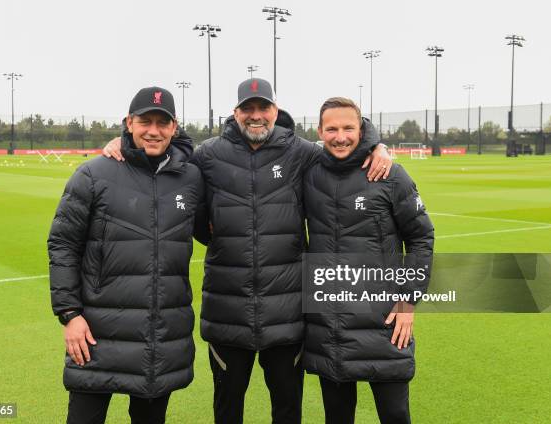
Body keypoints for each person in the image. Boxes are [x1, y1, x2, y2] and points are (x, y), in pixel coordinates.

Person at [102, 78, 392, 423]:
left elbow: (343, 143)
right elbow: (166, 148)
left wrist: (376, 143)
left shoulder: (301, 153)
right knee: (227, 408)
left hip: (287, 311)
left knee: (287, 409)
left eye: (263, 108)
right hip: (228, 311)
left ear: (275, 110)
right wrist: (120, 142)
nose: (256, 116)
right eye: (248, 109)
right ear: (236, 112)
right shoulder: (209, 155)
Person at [48, 86, 207, 424]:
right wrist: (69, 313)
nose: (153, 130)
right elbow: (63, 243)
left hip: (158, 334)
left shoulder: (190, 177)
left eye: (162, 123)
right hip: (95, 332)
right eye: (144, 121)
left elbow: (215, 228)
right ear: (128, 123)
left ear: (175, 127)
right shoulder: (93, 174)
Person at [302, 97, 435, 424]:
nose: (340, 136)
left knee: (394, 414)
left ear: (362, 129)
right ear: (320, 131)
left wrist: (407, 300)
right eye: (331, 129)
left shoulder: (391, 174)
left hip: (385, 321)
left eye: (349, 128)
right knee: (337, 416)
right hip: (329, 322)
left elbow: (421, 237)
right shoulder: (308, 173)